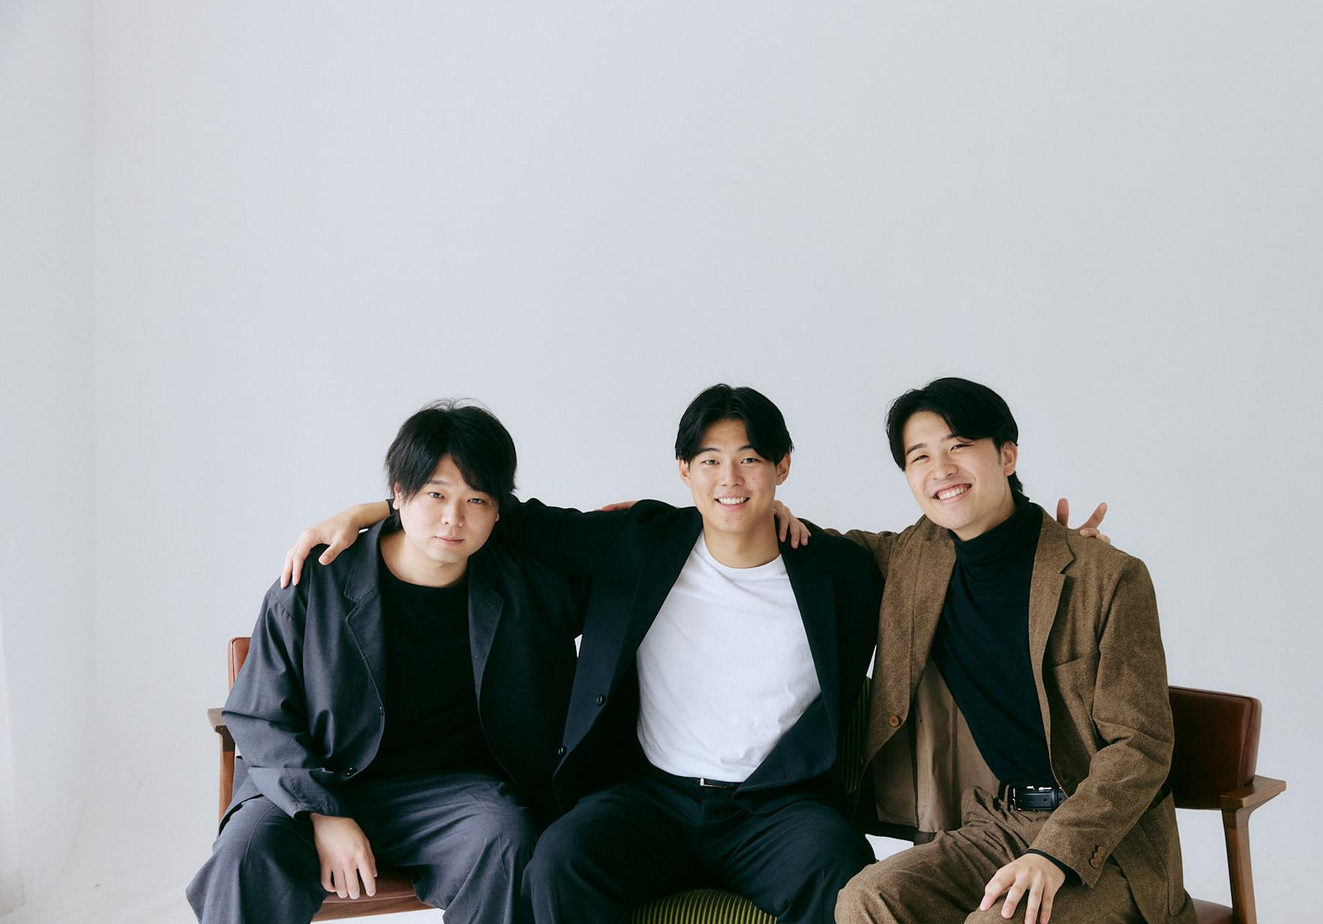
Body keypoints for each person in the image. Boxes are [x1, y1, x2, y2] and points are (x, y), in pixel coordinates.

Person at [284, 385, 883, 924]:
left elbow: (913, 556)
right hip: (654, 800)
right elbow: (499, 513)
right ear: (684, 471)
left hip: (776, 811)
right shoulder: (641, 542)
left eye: (749, 460)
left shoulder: (842, 573)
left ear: (782, 466)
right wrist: (374, 510)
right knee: (560, 861)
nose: (730, 479)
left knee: (845, 873)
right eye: (710, 461)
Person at [801, 377, 1195, 924]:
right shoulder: (916, 559)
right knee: (866, 898)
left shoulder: (1107, 577)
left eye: (959, 446)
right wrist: (768, 514)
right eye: (920, 456)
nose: (941, 469)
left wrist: (1054, 853)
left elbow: (1141, 745)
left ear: (1007, 455)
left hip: (1111, 848)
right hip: (999, 822)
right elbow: (816, 549)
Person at [188, 401, 584, 924]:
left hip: (451, 797)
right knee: (246, 852)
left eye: (476, 499)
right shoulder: (317, 579)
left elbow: (612, 568)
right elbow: (260, 716)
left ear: (497, 510)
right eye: (435, 495)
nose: (453, 518)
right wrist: (324, 813)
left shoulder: (523, 583)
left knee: (506, 838)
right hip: (317, 780)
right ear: (399, 493)